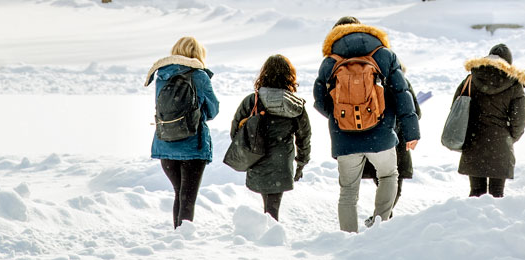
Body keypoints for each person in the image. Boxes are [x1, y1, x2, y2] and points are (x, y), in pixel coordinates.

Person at [313, 15, 420, 232]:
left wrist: (341, 117)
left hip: (344, 139)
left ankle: (348, 237)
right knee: (389, 175)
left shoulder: (330, 62)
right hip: (381, 136)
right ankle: (380, 227)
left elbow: (320, 99)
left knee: (348, 192)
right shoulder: (384, 54)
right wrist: (408, 130)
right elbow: (402, 93)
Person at [147, 36, 220, 228]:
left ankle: (177, 235)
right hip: (192, 145)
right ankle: (183, 241)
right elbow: (213, 110)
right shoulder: (199, 75)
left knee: (179, 193)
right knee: (188, 198)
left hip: (165, 143)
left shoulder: (162, 75)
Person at [232, 54, 312, 221]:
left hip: (257, 157)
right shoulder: (296, 105)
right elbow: (304, 137)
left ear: (264, 74)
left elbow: (235, 132)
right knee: (273, 204)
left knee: (268, 204)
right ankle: (271, 234)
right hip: (282, 161)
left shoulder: (251, 101)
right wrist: (301, 162)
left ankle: (268, 233)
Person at [455, 43, 525, 198]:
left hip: (473, 141)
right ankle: (495, 222)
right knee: (497, 193)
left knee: (476, 192)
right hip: (500, 144)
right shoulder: (515, 85)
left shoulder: (470, 79)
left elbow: (457, 109)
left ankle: (472, 221)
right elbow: (519, 120)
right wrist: (508, 138)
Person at [362, 68, 421, 206]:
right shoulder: (401, 82)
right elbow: (416, 112)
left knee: (380, 180)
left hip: (371, 137)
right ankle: (383, 218)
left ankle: (381, 218)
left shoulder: (367, 79)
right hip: (396, 140)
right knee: (394, 184)